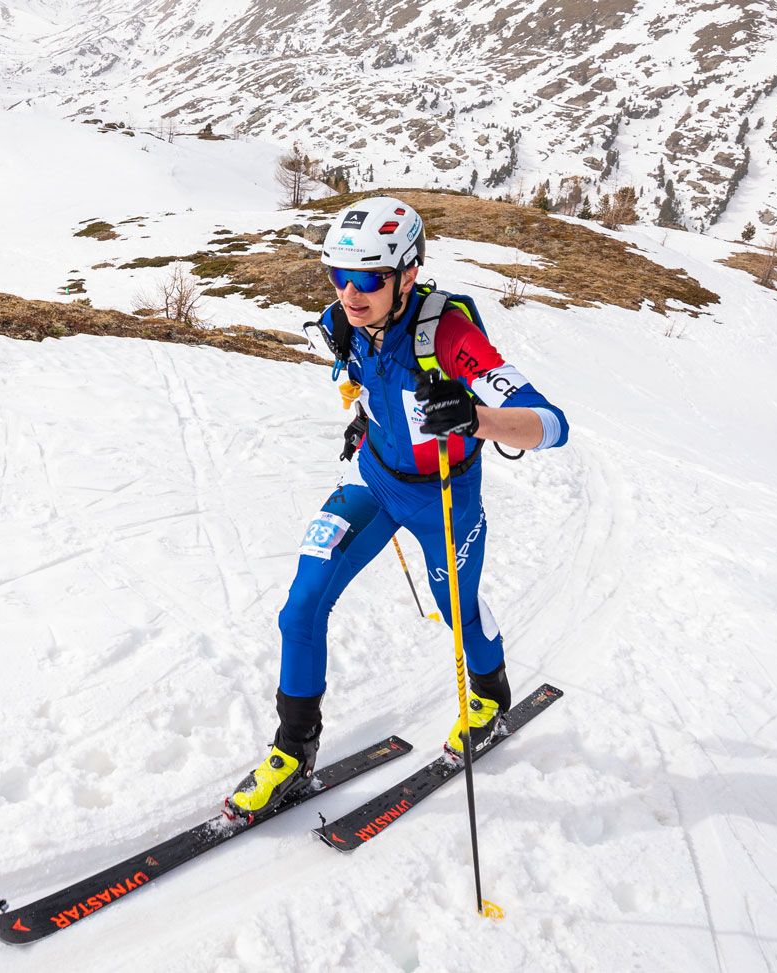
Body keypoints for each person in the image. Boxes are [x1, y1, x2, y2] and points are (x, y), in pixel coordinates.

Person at [225, 196, 569, 819]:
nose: (351, 294)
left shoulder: (449, 335)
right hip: (374, 483)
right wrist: (366, 421)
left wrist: (475, 416)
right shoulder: (341, 323)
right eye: (338, 275)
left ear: (408, 274)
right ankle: (293, 752)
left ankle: (489, 698)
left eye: (369, 279)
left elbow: (551, 424)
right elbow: (363, 380)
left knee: (454, 607)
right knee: (300, 607)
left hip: (445, 496)